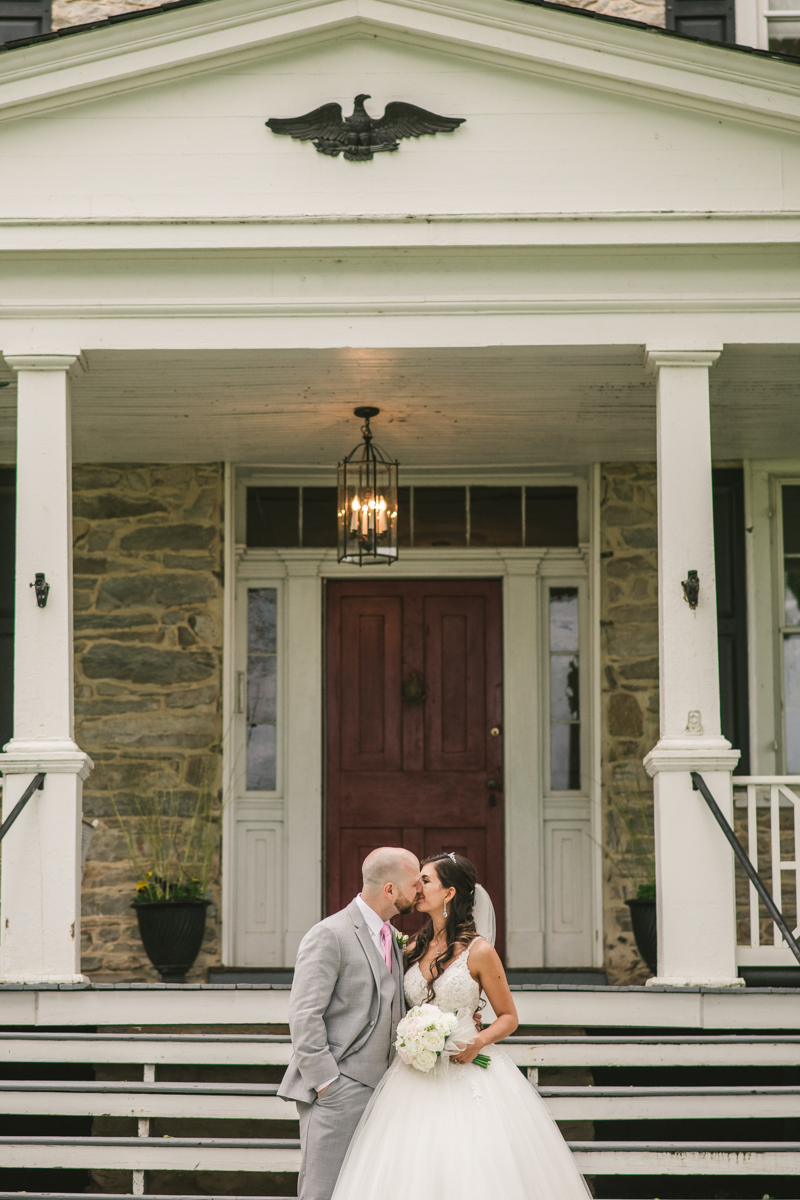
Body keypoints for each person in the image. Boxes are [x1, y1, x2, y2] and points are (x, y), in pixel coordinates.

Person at [329, 852, 592, 1200]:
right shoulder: (410, 946)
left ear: (449, 893)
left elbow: (509, 1017)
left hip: (468, 1070)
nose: (416, 887)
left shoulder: (479, 951)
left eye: (425, 880)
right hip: (412, 1076)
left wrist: (477, 1041)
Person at [278, 846, 422, 1200]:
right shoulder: (329, 934)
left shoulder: (391, 935)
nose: (420, 891)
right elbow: (304, 1014)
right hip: (338, 1089)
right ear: (390, 890)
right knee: (323, 1191)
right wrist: (327, 1083)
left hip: (386, 1091)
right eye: (415, 884)